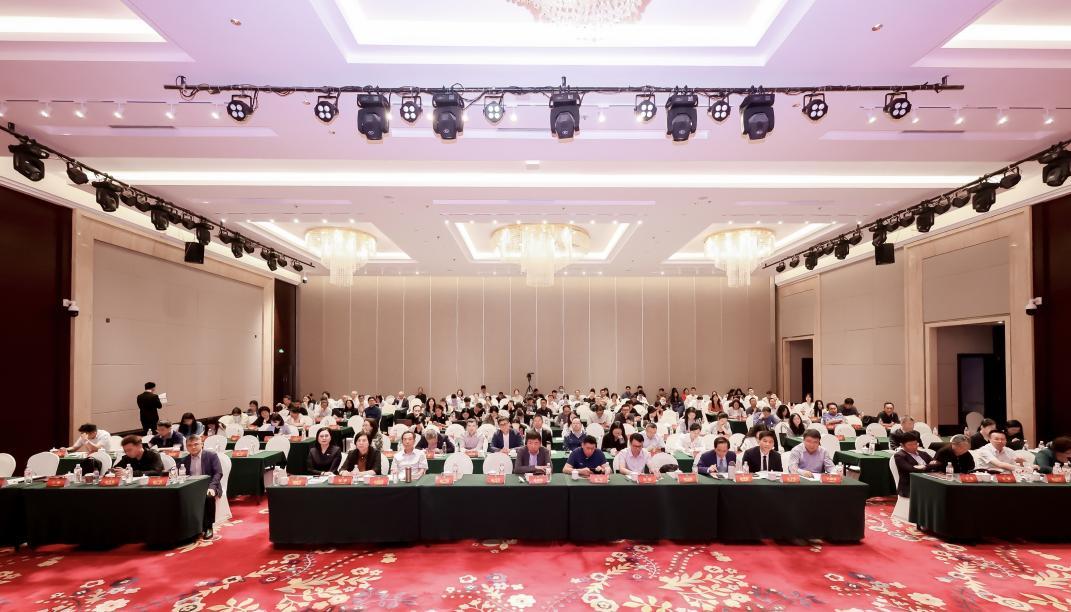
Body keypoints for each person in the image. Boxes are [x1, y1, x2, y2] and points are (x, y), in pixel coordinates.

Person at [178, 435, 223, 539]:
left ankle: (208, 527)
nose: (193, 447)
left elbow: (218, 473)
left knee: (208, 497)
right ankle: (189, 528)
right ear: (186, 447)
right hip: (191, 487)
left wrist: (212, 487)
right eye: (190, 445)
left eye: (196, 444)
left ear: (202, 444)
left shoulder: (211, 455)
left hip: (209, 485)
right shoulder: (185, 460)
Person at [893, 432, 933, 497]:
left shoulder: (923, 453)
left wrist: (923, 466)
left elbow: (936, 464)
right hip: (910, 486)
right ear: (902, 445)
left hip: (928, 482)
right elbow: (911, 469)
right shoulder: (900, 456)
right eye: (910, 445)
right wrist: (929, 467)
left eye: (915, 444)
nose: (914, 446)